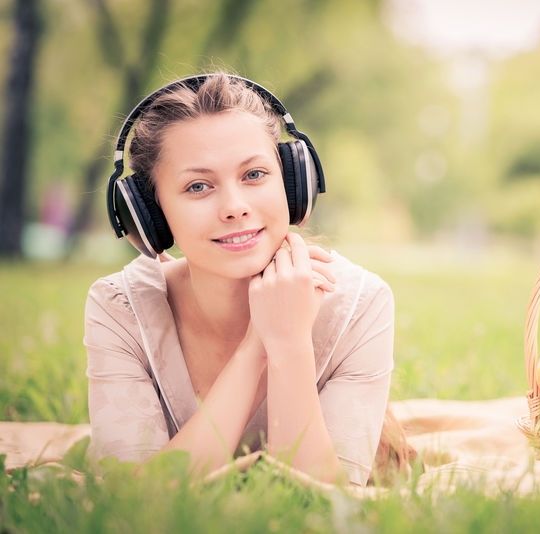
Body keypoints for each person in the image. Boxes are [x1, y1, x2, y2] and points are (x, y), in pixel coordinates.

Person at [84, 72, 411, 486]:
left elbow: (324, 504)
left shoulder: (360, 303)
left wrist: (290, 345)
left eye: (254, 175)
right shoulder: (119, 308)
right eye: (198, 186)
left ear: (293, 185)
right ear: (149, 215)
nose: (235, 207)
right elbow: (136, 500)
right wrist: (260, 342)